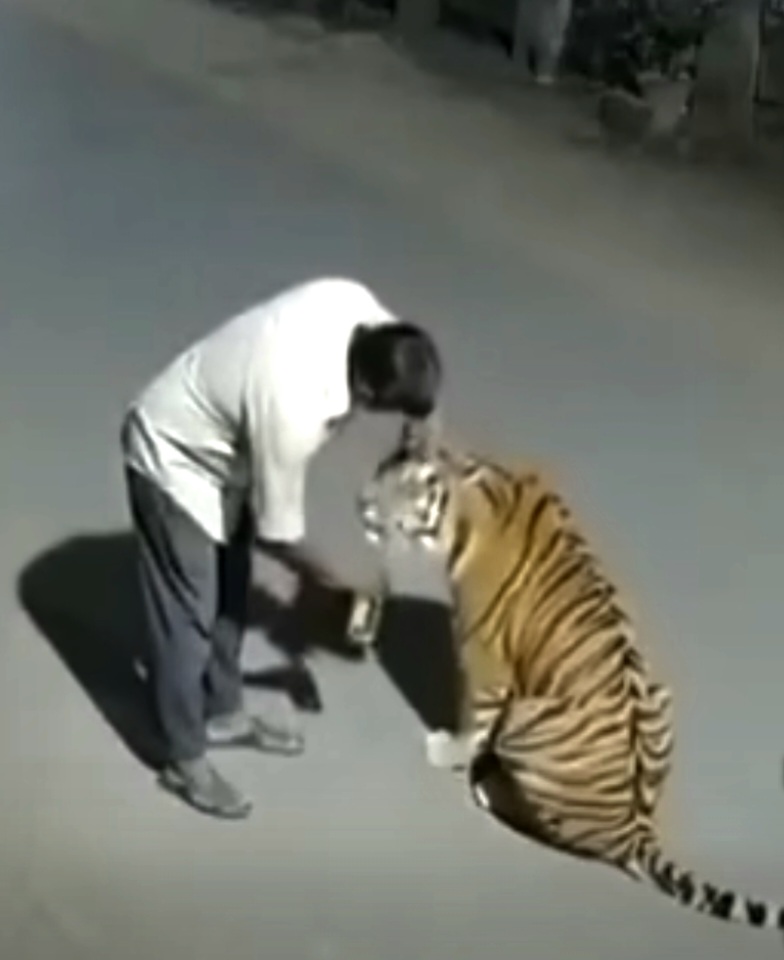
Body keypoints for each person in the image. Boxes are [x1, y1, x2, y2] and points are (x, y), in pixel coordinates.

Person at [121, 277, 442, 820]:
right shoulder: (292, 409)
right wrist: (337, 577)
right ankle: (184, 760)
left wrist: (422, 425)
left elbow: (409, 358)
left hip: (230, 453)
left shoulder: (351, 303)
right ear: (365, 395)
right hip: (172, 457)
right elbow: (280, 534)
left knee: (230, 589)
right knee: (188, 618)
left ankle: (224, 712)